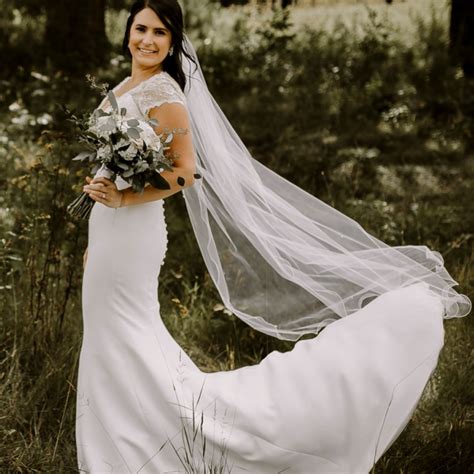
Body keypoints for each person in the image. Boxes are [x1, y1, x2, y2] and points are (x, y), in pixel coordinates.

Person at [77, 0, 471, 472]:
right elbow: (112, 162)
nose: (147, 39)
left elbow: (184, 172)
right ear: (126, 33)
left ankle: (141, 447)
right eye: (140, 29)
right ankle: (124, 439)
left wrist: (123, 199)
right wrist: (94, 236)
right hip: (108, 235)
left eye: (160, 33)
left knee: (124, 332)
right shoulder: (123, 87)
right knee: (107, 334)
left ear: (172, 41)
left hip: (134, 230)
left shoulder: (165, 91)